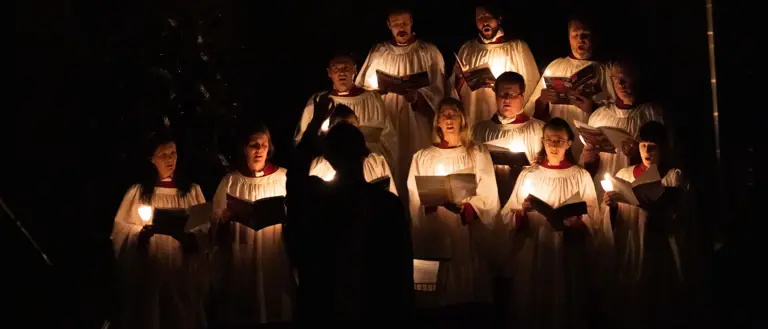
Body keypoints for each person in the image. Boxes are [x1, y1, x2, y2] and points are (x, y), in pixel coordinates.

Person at [285, 122, 413, 325]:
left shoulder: (317, 197)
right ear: (365, 153)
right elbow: (401, 271)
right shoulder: (387, 204)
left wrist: (315, 124)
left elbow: (295, 178)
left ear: (327, 157)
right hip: (375, 311)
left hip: (324, 311)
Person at [499, 118, 608, 329]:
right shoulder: (529, 174)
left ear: (569, 143)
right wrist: (522, 212)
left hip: (568, 248)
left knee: (566, 298)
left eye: (559, 140)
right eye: (549, 140)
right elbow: (507, 215)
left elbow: (594, 216)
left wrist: (579, 223)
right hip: (536, 246)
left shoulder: (580, 176)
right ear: (543, 142)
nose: (553, 145)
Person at [406, 97, 499, 320]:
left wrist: (471, 207)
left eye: (453, 114)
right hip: (436, 226)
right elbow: (414, 194)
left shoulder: (477, 153)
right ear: (437, 121)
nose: (449, 119)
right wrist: (427, 204)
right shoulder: (422, 157)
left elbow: (488, 191)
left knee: (465, 284)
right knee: (438, 296)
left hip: (465, 227)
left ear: (462, 120)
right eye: (444, 115)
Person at [111, 131, 208, 329]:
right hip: (151, 271)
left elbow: (206, 229)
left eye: (173, 154)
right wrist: (140, 234)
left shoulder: (192, 191)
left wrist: (192, 238)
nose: (170, 159)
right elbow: (120, 231)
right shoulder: (138, 193)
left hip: (182, 271)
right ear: (152, 159)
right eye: (163, 155)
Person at [355, 7, 446, 202]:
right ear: (389, 25)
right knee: (391, 166)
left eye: (404, 23)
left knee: (417, 163)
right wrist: (377, 91)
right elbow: (362, 89)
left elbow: (441, 91)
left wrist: (419, 96)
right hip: (388, 119)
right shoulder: (379, 52)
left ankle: (419, 212)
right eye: (396, 24)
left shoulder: (428, 51)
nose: (401, 28)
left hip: (418, 121)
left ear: (411, 22)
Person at [209, 123, 296, 327]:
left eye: (263, 145)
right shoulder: (231, 181)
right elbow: (213, 221)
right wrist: (223, 219)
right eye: (253, 145)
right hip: (241, 252)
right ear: (244, 148)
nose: (259, 150)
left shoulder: (283, 177)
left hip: (274, 251)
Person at [603, 121, 686, 329]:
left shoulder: (672, 176)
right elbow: (616, 217)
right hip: (632, 240)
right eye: (643, 146)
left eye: (653, 147)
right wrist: (612, 205)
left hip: (660, 242)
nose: (647, 152)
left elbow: (679, 214)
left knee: (661, 295)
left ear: (663, 148)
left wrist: (656, 205)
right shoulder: (624, 175)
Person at [526, 16, 614, 159]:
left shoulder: (606, 70)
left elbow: (616, 112)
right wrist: (542, 101)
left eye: (585, 34)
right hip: (558, 142)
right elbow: (533, 111)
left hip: (590, 144)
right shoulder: (555, 66)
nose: (580, 39)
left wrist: (593, 109)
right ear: (568, 37)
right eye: (575, 35)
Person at [294, 54, 397, 170]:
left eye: (346, 68)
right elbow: (304, 138)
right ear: (329, 73)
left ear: (355, 70)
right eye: (336, 69)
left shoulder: (373, 99)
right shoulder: (319, 101)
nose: (341, 72)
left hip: (366, 164)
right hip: (328, 167)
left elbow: (388, 137)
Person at [582, 58, 664, 199]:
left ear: (636, 78)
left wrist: (637, 155)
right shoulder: (599, 116)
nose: (620, 84)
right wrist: (588, 159)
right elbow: (591, 166)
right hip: (604, 191)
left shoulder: (652, 114)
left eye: (625, 77)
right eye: (616, 78)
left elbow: (666, 156)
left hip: (638, 190)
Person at [450, 4, 540, 127]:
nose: (484, 21)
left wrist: (501, 87)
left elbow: (531, 86)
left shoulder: (517, 48)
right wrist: (459, 78)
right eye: (479, 18)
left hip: (508, 123)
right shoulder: (467, 49)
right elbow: (454, 91)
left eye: (488, 16)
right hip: (475, 114)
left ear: (499, 18)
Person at [472, 71, 544, 206]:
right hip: (487, 201)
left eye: (512, 95)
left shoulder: (538, 129)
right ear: (495, 96)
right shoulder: (479, 130)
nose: (506, 100)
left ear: (522, 96)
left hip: (523, 199)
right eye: (502, 95)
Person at [308, 105, 398, 195]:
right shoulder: (319, 166)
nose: (349, 133)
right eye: (343, 128)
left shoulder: (376, 163)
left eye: (353, 127)